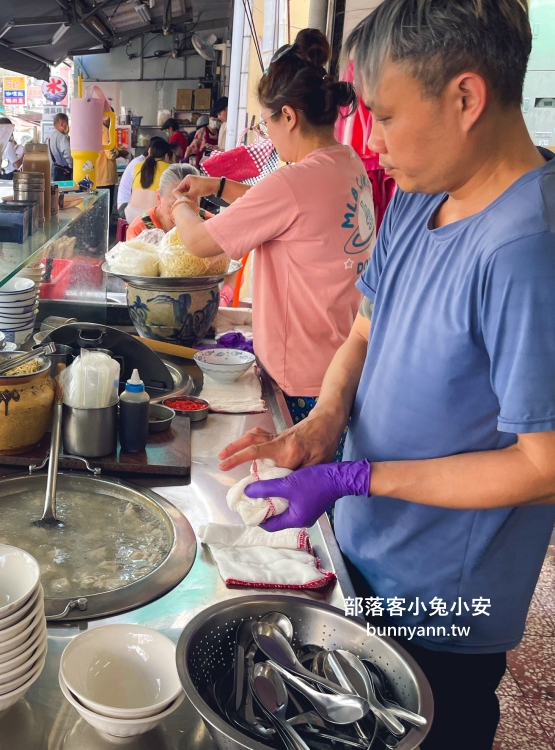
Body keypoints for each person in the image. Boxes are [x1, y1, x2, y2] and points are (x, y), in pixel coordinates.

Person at [216, 3, 555, 749]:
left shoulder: (527, 250)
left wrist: (356, 480)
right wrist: (322, 424)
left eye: (387, 115)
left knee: (428, 723)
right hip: (367, 553)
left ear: (465, 98)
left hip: (444, 601)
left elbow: (541, 464)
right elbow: (367, 327)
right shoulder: (421, 195)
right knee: (346, 716)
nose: (373, 140)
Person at [171, 29, 372, 429]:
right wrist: (217, 187)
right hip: (346, 360)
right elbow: (285, 210)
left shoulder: (293, 182)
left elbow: (197, 242)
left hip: (302, 375)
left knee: (297, 482)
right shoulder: (346, 162)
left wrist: (175, 201)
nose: (269, 133)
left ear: (290, 117)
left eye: (266, 123)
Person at [126, 164, 213, 239]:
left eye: (190, 206)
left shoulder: (210, 224)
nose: (182, 214)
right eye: (173, 205)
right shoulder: (140, 230)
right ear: (159, 197)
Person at [123, 139, 173, 223]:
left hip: (131, 216)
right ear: (167, 156)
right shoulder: (170, 168)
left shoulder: (138, 166)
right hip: (149, 219)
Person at [96, 110, 126, 207]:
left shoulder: (95, 129)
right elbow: (111, 154)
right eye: (112, 117)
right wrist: (120, 152)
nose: (113, 121)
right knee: (106, 209)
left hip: (96, 176)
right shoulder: (104, 130)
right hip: (105, 178)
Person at [186, 98, 228, 167]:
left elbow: (225, 148)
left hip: (217, 162)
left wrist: (213, 148)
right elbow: (191, 148)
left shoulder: (224, 127)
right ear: (209, 118)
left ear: (226, 110)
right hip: (203, 162)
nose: (219, 117)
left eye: (220, 114)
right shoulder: (202, 131)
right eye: (214, 119)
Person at [47, 112, 72, 181]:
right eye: (67, 124)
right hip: (63, 174)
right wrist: (71, 166)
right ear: (63, 124)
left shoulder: (49, 138)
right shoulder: (61, 137)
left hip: (52, 173)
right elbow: (67, 153)